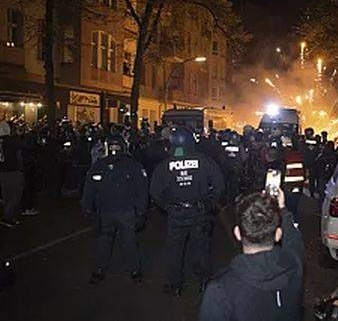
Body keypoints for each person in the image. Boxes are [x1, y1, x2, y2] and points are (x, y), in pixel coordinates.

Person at [198, 190, 305, 321]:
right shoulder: (294, 265)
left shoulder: (220, 291)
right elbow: (294, 240)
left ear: (237, 233)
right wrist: (282, 208)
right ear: (278, 234)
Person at [150, 126, 224, 297]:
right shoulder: (205, 161)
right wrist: (209, 204)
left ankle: (174, 285)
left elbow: (154, 192)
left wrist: (167, 206)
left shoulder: (165, 165)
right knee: (201, 249)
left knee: (174, 250)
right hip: (200, 212)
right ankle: (204, 282)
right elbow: (219, 186)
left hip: (176, 214)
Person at [82, 134, 148, 284]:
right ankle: (134, 270)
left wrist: (87, 208)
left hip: (110, 211)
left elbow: (89, 190)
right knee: (124, 242)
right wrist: (141, 212)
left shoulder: (101, 165)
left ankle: (102, 270)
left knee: (109, 241)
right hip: (121, 211)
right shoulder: (132, 165)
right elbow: (142, 191)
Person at [0, 121, 25, 228]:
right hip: (12, 171)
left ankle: (7, 215)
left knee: (6, 195)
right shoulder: (10, 140)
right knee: (15, 195)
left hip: (2, 171)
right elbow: (25, 145)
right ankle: (7, 217)